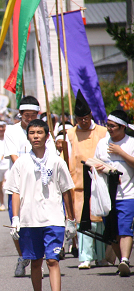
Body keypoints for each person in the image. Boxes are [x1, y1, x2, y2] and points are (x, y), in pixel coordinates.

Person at [5, 119, 76, 291]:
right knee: (36, 262)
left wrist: (71, 219)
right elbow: (15, 191)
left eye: (39, 133)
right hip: (30, 219)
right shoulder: (21, 162)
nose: (36, 136)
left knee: (52, 260)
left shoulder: (57, 161)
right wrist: (15, 218)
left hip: (53, 218)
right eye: (32, 133)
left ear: (47, 136)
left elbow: (66, 190)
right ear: (28, 137)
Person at [3, 96, 57, 277]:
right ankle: (22, 256)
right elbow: (13, 158)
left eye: (33, 115)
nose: (30, 118)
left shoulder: (42, 131)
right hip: (19, 184)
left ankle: (37, 260)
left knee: (39, 222)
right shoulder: (11, 131)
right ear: (20, 114)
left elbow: (51, 156)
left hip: (41, 184)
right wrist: (28, 171)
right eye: (27, 115)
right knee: (16, 225)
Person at [67, 90, 108, 269]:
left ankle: (101, 256)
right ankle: (85, 257)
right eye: (79, 119)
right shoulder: (69, 134)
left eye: (85, 118)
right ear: (75, 118)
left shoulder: (102, 132)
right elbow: (65, 158)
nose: (83, 121)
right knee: (82, 221)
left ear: (90, 115)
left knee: (99, 220)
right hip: (78, 185)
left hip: (99, 182)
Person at [94, 110, 134, 277]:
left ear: (122, 127)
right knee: (113, 232)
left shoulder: (131, 143)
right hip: (107, 196)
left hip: (128, 194)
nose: (109, 129)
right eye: (107, 126)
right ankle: (121, 261)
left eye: (112, 126)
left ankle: (125, 259)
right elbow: (94, 162)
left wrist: (120, 153)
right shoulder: (102, 144)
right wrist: (99, 168)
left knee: (125, 228)